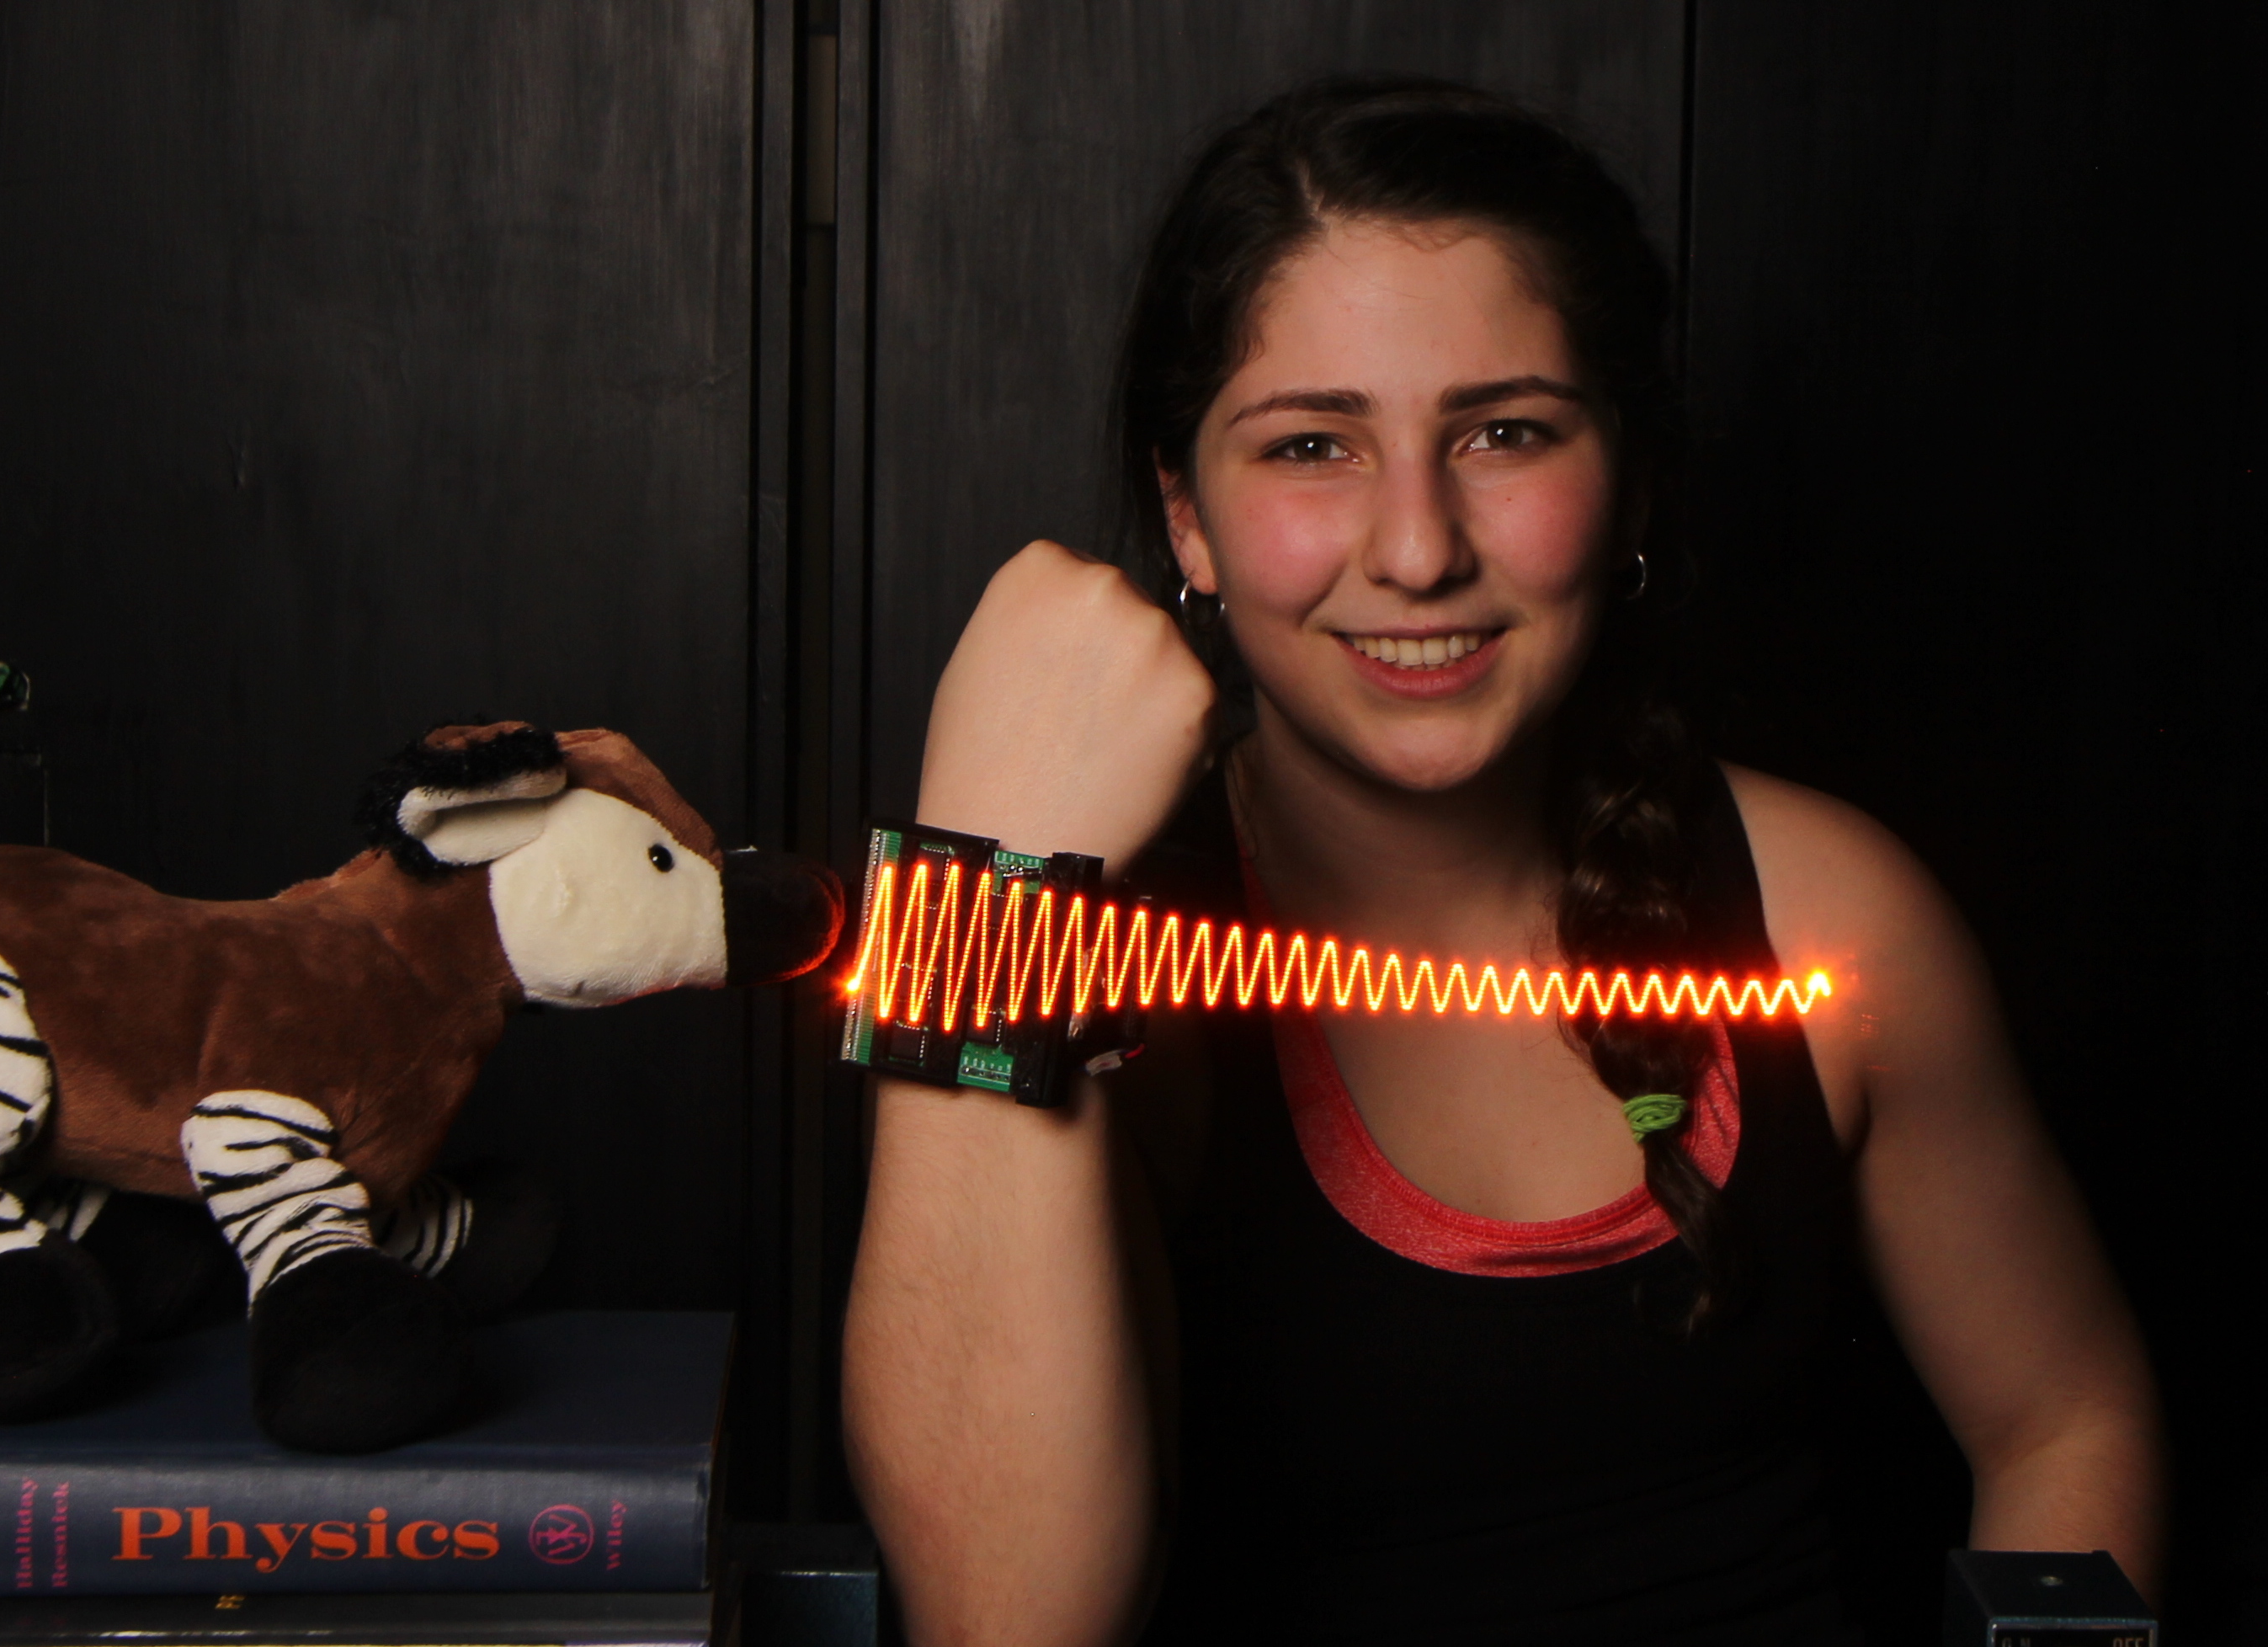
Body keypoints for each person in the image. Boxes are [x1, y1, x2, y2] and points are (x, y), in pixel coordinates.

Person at [841, 78, 2161, 1645]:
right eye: (1313, 445)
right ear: (1185, 519)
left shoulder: (1835, 915)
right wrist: (980, 863)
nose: (1419, 548)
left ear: (1632, 484)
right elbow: (1002, 1621)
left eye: (1505, 433)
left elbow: (2065, 1420)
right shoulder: (1097, 981)